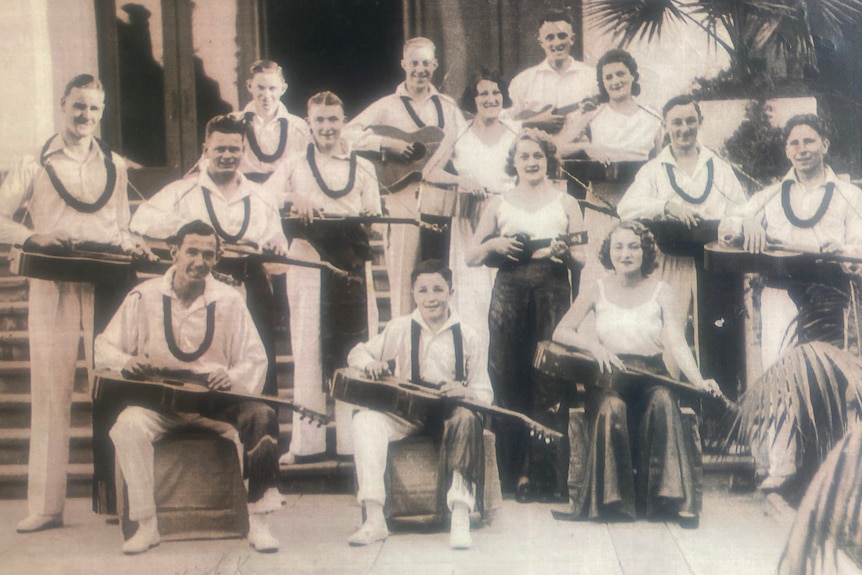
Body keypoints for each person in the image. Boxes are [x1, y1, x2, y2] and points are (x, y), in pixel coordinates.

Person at [95, 220, 282, 554]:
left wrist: (232, 376)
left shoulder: (229, 300)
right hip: (160, 403)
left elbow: (255, 358)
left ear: (216, 258)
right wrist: (125, 362)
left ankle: (260, 523)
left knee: (262, 415)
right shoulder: (144, 295)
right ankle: (146, 524)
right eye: (192, 251)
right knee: (126, 426)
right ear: (174, 252)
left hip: (214, 404)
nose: (200, 261)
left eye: (208, 255)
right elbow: (104, 345)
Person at [0, 74, 135, 533]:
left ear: (103, 111)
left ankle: (116, 498)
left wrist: (128, 242)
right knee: (51, 390)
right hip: (53, 284)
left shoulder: (115, 165)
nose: (86, 116)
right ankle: (45, 505)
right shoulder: (32, 163)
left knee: (113, 388)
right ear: (62, 105)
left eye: (95, 109)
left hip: (106, 284)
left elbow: (121, 225)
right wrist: (33, 235)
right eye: (78, 106)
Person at [719, 114, 862, 491]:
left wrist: (845, 249)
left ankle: (834, 471)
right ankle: (782, 466)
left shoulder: (850, 195)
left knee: (828, 382)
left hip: (831, 297)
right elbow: (728, 224)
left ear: (825, 145)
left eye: (809, 141)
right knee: (780, 376)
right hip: (781, 295)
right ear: (786, 150)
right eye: (795, 143)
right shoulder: (769, 195)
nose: (802, 150)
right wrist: (745, 223)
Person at [552, 221, 721, 525]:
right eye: (618, 247)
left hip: (651, 373)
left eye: (633, 246)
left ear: (645, 252)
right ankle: (612, 503)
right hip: (609, 377)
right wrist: (594, 347)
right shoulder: (597, 288)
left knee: (664, 403)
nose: (625, 254)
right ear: (609, 252)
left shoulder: (661, 291)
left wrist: (699, 380)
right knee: (611, 407)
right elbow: (561, 332)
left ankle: (670, 500)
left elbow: (676, 341)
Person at [131, 113, 288, 397]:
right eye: (220, 149)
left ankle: (262, 434)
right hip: (203, 287)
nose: (227, 156)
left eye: (234, 149)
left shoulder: (262, 195)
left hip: (252, 285)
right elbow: (141, 220)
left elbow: (276, 240)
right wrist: (184, 229)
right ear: (206, 150)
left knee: (256, 364)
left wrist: (277, 243)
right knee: (211, 363)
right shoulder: (184, 191)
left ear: (244, 150)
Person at [467, 129, 586, 500]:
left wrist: (564, 252)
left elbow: (583, 256)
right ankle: (513, 474)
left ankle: (547, 476)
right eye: (524, 157)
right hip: (509, 292)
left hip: (552, 291)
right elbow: (471, 256)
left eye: (537, 155)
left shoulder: (567, 202)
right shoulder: (498, 203)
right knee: (507, 375)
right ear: (514, 162)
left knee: (550, 377)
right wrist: (495, 243)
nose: (531, 162)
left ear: (549, 159)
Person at [346, 260, 492, 549]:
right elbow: (356, 353)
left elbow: (485, 393)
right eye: (423, 290)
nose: (431, 298)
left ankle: (460, 516)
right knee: (365, 421)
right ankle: (374, 518)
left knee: (468, 419)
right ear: (413, 293)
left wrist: (465, 392)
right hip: (407, 414)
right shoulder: (400, 327)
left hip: (450, 415)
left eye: (438, 289)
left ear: (452, 291)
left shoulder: (469, 335)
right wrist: (371, 363)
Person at [278, 91, 382, 460]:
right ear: (309, 123)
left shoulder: (363, 167)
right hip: (308, 262)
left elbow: (373, 213)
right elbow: (264, 199)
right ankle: (307, 444)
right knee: (308, 347)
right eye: (320, 120)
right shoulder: (293, 165)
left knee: (351, 349)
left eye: (333, 120)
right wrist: (293, 199)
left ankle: (351, 443)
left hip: (351, 263)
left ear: (343, 122)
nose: (327, 127)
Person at [617, 95, 747, 368]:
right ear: (665, 126)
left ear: (700, 122)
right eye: (676, 122)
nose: (684, 128)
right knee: (670, 334)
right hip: (671, 260)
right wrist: (666, 205)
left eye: (690, 120)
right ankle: (672, 402)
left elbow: (742, 210)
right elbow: (625, 208)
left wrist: (730, 227)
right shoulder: (654, 170)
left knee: (719, 334)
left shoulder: (719, 168)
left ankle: (717, 405)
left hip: (715, 262)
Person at [343, 36, 468, 316]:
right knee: (404, 273)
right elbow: (347, 134)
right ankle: (404, 347)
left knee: (441, 273)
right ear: (403, 64)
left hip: (440, 198)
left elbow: (464, 147)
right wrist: (386, 145)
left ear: (435, 65)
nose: (420, 69)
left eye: (426, 63)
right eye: (414, 62)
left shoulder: (447, 106)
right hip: (402, 197)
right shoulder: (387, 105)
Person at [424, 68, 519, 344]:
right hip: (469, 219)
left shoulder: (516, 131)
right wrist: (460, 180)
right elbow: (430, 172)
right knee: (473, 292)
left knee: (504, 291)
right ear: (473, 100)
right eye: (483, 93)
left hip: (506, 219)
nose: (491, 99)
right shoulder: (459, 131)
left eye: (496, 92)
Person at [557, 49, 661, 162]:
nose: (615, 81)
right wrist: (586, 147)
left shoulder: (652, 117)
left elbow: (660, 161)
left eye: (620, 74)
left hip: (642, 178)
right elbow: (557, 148)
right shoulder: (593, 114)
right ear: (603, 83)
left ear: (633, 76)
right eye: (609, 77)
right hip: (602, 178)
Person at [506, 10, 598, 138]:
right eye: (550, 37)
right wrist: (533, 122)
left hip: (581, 154)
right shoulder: (523, 81)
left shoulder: (592, 77)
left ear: (572, 39)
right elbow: (505, 124)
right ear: (541, 42)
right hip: (537, 155)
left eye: (562, 36)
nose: (557, 43)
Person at [238, 59, 309, 200]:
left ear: (283, 89)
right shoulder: (234, 123)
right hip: (243, 196)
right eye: (260, 87)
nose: (266, 95)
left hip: (284, 198)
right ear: (249, 85)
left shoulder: (298, 127)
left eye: (272, 88)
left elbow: (305, 169)